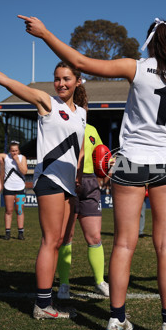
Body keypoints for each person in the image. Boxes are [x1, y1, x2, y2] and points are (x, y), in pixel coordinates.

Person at [20, 15, 166, 330]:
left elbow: (78, 62)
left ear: (149, 41)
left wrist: (44, 32)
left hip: (130, 161)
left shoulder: (137, 66)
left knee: (123, 243)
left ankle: (116, 319)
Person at [0, 46, 86, 320]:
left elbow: (76, 149)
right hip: (50, 180)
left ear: (78, 81)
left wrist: (78, 173)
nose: (61, 83)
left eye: (67, 79)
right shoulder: (46, 101)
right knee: (49, 241)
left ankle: (49, 302)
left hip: (68, 184)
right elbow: (7, 81)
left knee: (59, 242)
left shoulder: (81, 112)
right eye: (57, 78)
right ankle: (43, 305)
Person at [56, 121, 110, 299]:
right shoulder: (62, 126)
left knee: (94, 237)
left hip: (90, 182)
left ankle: (100, 282)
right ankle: (64, 284)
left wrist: (110, 161)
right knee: (66, 236)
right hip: (68, 180)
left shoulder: (93, 129)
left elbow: (101, 156)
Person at [0, 141, 27, 240]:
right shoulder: (6, 157)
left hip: (20, 188)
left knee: (19, 210)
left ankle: (20, 233)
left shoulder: (22, 158)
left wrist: (17, 161)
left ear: (19, 151)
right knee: (8, 211)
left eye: (16, 151)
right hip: (8, 187)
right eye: (12, 151)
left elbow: (24, 171)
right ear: (9, 150)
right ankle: (8, 233)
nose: (14, 153)